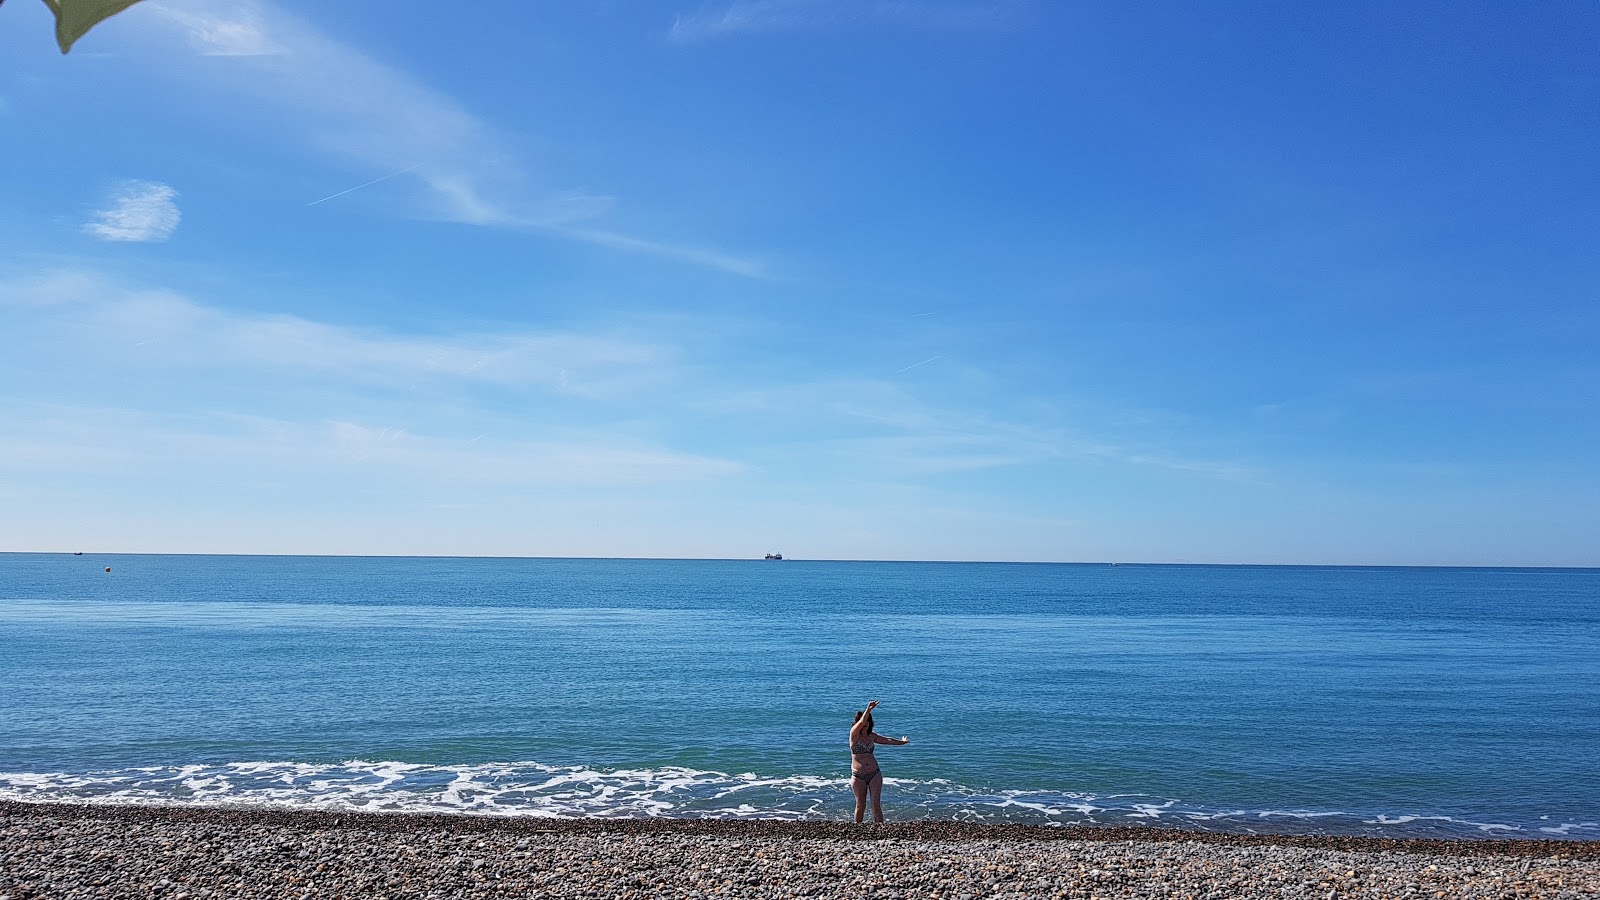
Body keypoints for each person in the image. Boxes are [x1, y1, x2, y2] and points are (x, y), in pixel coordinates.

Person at [849, 699, 910, 824]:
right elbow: (861, 722)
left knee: (876, 805)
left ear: (870, 722)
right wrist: (869, 709)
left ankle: (880, 829)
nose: (864, 723)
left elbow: (887, 740)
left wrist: (901, 742)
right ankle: (856, 830)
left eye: (867, 721)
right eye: (862, 721)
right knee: (860, 806)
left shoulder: (872, 736)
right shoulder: (854, 735)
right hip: (858, 776)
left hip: (874, 774)